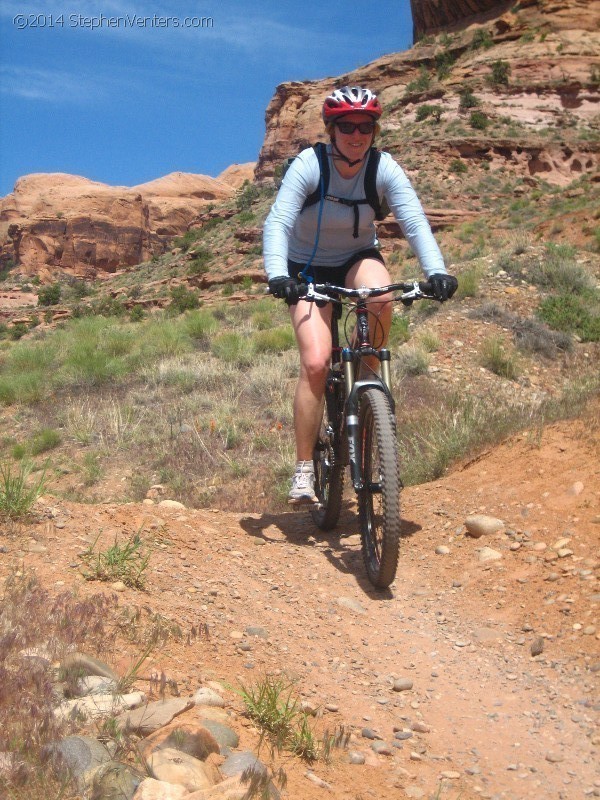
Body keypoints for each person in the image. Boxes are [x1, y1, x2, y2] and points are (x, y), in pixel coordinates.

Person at [263, 86, 457, 504]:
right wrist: (279, 275)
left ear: (374, 130)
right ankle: (303, 470)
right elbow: (278, 222)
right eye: (347, 126)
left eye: (366, 126)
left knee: (381, 297)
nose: (357, 135)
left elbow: (414, 221)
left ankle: (365, 381)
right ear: (332, 129)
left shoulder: (384, 168)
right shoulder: (309, 165)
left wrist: (437, 272)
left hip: (356, 256)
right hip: (306, 267)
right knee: (315, 362)